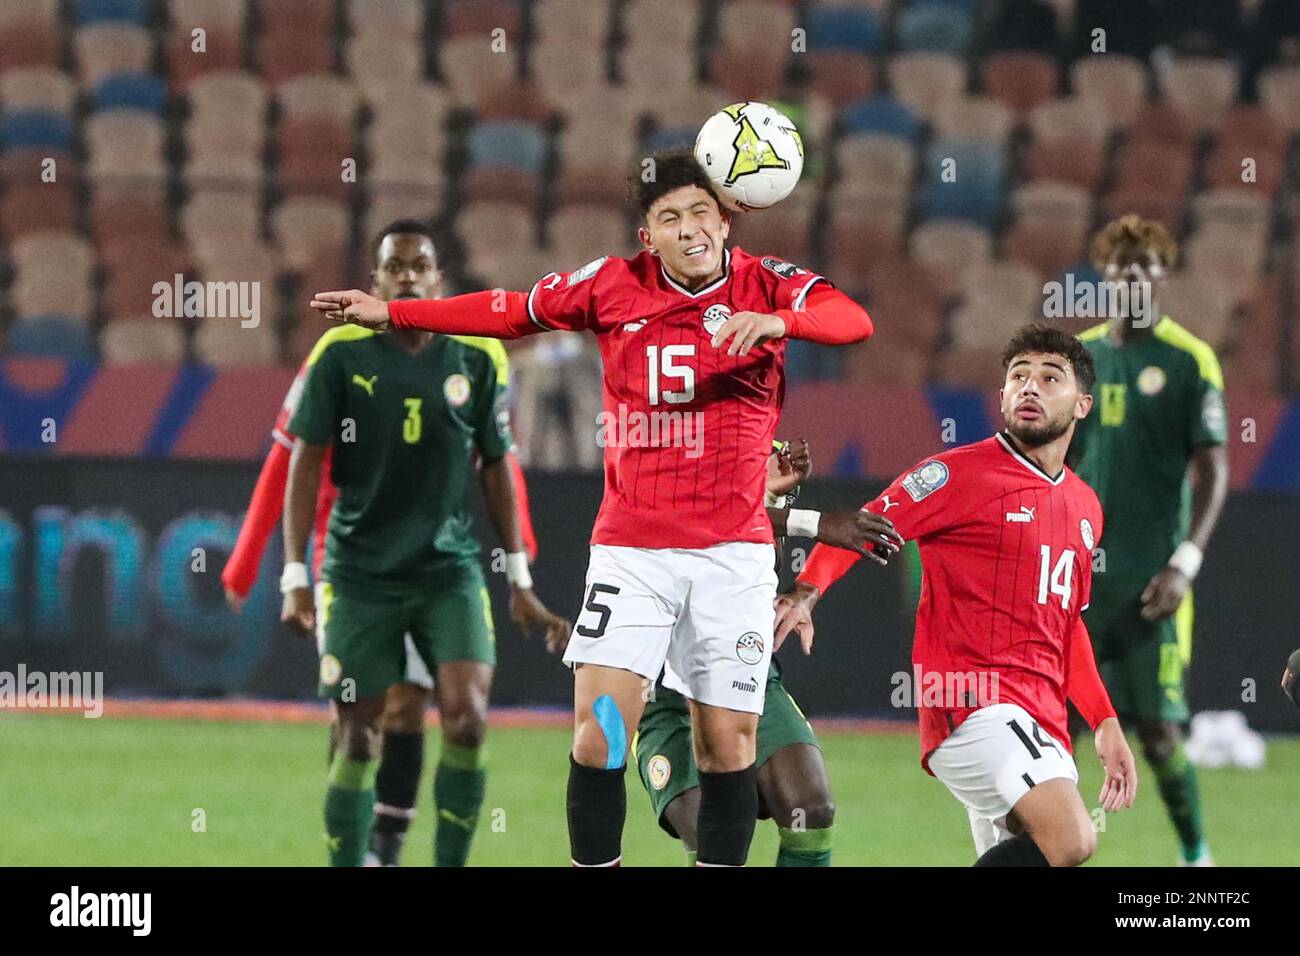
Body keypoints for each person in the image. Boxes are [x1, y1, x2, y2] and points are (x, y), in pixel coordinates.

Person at [309, 148, 898, 866]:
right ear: (648, 236)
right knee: (597, 732)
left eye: (701, 213)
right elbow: (509, 311)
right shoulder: (613, 285)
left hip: (734, 558)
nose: (689, 229)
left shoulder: (768, 285)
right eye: (669, 218)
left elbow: (853, 321)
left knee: (728, 748)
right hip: (634, 551)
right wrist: (396, 310)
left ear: (725, 222)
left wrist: (780, 326)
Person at [778, 324, 1139, 866]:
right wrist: (807, 591)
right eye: (1018, 377)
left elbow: (1069, 628)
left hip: (1043, 719)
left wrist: (1106, 722)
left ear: (1082, 404)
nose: (1030, 388)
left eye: (1049, 377)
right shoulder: (955, 474)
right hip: (972, 704)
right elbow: (866, 527)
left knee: (1040, 853)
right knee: (1074, 840)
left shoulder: (1086, 507)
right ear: (1002, 396)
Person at [281, 220, 570, 866]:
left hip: (448, 572)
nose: (407, 276)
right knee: (358, 738)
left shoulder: (478, 356)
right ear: (377, 278)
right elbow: (305, 464)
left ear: (439, 280)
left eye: (420, 266)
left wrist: (519, 579)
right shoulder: (341, 355)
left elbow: (497, 466)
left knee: (466, 719)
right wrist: (293, 574)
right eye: (395, 266)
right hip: (358, 575)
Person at [1072, 214, 1230, 866]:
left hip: (1152, 582)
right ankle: (1034, 848)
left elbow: (1216, 469)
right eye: (1120, 268)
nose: (1132, 278)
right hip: (1078, 578)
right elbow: (1050, 460)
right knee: (1049, 725)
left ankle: (1196, 856)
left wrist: (1184, 565)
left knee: (1161, 735)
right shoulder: (1080, 357)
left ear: (1161, 277)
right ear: (1105, 276)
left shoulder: (1190, 359)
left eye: (1146, 268)